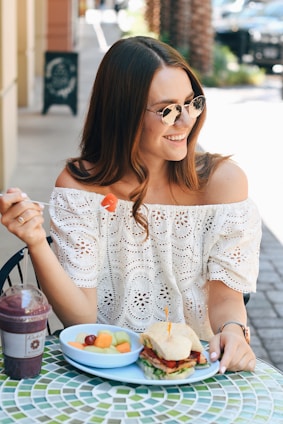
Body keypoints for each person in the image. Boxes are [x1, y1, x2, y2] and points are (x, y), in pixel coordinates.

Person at [0, 36, 261, 374]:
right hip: (106, 366)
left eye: (191, 102)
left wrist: (233, 332)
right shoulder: (80, 186)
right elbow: (81, 317)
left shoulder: (222, 185)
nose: (185, 121)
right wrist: (36, 240)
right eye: (167, 110)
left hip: (197, 370)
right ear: (122, 114)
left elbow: (226, 299)